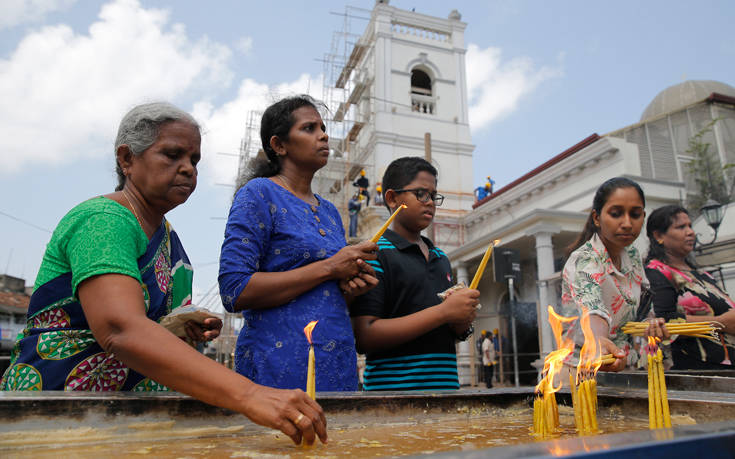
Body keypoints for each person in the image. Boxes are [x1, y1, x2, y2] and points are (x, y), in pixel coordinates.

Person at [0, 102, 327, 445]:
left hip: (131, 424)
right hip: (54, 417)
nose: (188, 169)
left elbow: (147, 328)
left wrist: (182, 323)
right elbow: (120, 329)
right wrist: (249, 395)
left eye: (194, 160)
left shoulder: (170, 241)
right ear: (127, 159)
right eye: (172, 155)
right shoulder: (103, 220)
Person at [219, 95, 378, 394]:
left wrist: (352, 289)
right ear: (279, 145)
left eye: (323, 127)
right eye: (309, 128)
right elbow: (234, 289)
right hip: (277, 368)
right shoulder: (258, 194)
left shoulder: (330, 212)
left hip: (335, 363)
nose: (323, 135)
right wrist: (331, 267)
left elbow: (323, 295)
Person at [350, 156, 479, 390]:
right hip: (393, 399)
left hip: (446, 391)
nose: (429, 202)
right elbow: (365, 336)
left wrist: (461, 320)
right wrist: (443, 312)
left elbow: (449, 330)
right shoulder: (376, 253)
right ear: (391, 198)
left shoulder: (441, 258)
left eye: (433, 195)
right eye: (420, 194)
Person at [561, 177, 666, 371]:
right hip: (582, 370)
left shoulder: (633, 255)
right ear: (597, 218)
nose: (627, 223)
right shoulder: (584, 259)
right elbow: (593, 311)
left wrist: (651, 324)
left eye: (635, 215)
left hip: (624, 365)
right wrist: (598, 341)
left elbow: (640, 309)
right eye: (616, 214)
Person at [645, 205, 735, 369]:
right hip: (699, 371)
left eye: (690, 226)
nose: (690, 232)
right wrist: (720, 322)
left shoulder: (702, 274)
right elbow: (664, 320)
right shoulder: (657, 272)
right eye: (681, 227)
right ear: (658, 235)